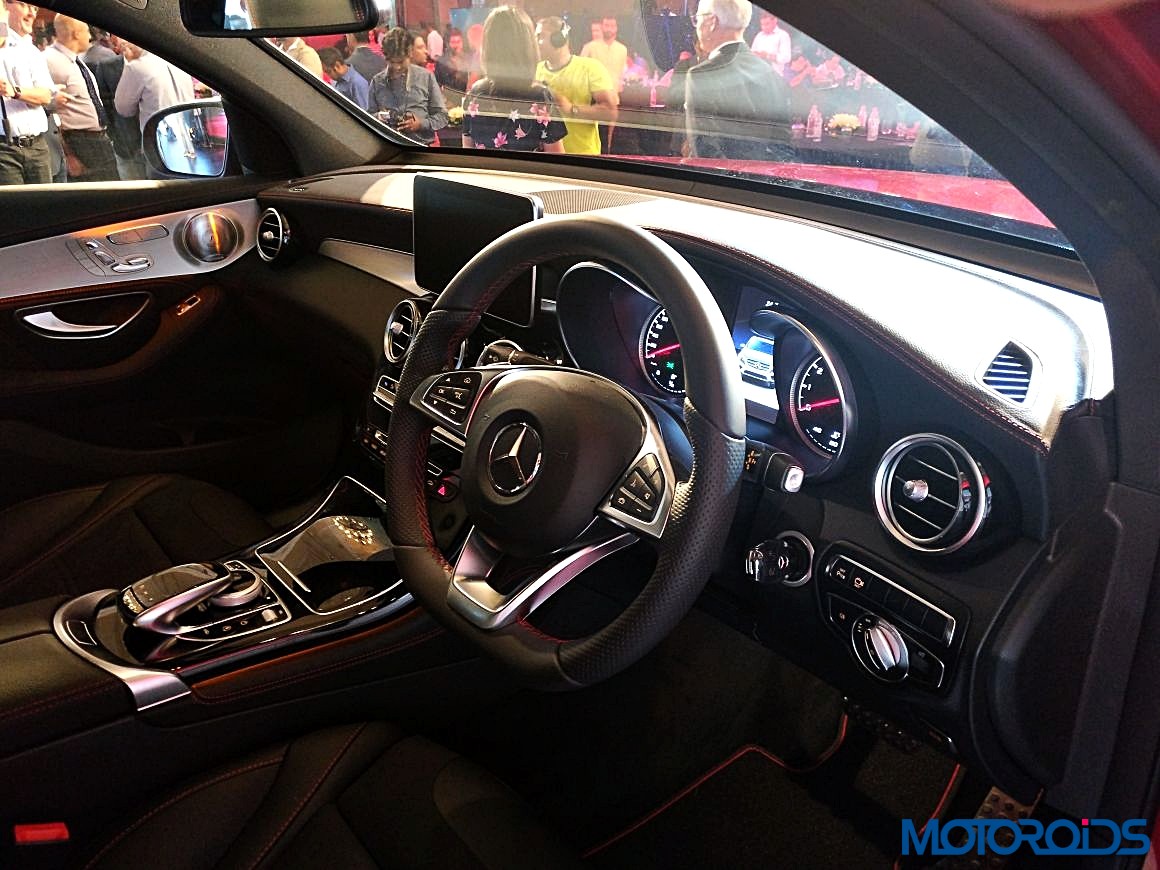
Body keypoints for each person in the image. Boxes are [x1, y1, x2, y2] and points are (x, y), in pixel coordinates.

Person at [684, 0, 791, 161]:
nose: (696, 26)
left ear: (712, 22)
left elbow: (706, 151)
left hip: (721, 177)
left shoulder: (701, 74)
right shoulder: (771, 75)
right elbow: (782, 150)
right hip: (760, 175)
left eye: (697, 19)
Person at [462, 6, 565, 153]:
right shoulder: (539, 96)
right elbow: (556, 158)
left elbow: (468, 153)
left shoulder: (475, 94)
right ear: (528, 47)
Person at [0, 0, 68, 185]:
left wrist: (15, 92)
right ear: (6, 5)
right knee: (17, 203)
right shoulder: (4, 44)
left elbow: (45, 96)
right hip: (4, 149)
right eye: (24, 5)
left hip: (38, 146)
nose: (32, 13)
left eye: (35, 7)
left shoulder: (32, 51)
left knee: (45, 200)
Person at [44, 15, 119, 181]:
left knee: (111, 189)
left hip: (96, 139)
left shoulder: (76, 60)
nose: (90, 36)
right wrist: (68, 154)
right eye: (86, 31)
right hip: (79, 141)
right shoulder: (49, 60)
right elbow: (48, 110)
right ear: (76, 34)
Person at [534, 17, 617, 156]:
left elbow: (610, 112)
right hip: (547, 158)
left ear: (558, 39)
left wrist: (571, 109)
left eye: (540, 36)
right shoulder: (535, 70)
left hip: (582, 158)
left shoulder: (590, 68)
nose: (535, 42)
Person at [114, 41, 195, 175]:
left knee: (164, 183)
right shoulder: (179, 59)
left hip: (160, 140)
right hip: (190, 136)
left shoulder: (137, 67)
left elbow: (123, 108)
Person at [367, 27, 447, 145]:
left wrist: (421, 124)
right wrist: (379, 117)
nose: (397, 67)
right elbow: (369, 118)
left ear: (410, 54)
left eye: (401, 62)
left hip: (421, 147)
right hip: (389, 148)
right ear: (385, 58)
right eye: (392, 62)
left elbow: (442, 116)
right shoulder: (377, 82)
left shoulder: (425, 77)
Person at [581, 16, 628, 91]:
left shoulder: (622, 49)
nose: (609, 29)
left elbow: (621, 74)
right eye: (606, 25)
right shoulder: (589, 47)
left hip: (614, 93)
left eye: (612, 26)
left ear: (616, 28)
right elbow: (581, 71)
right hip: (594, 93)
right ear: (602, 27)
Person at [318, 46, 369, 111]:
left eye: (328, 72)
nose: (327, 76)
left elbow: (363, 112)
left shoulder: (358, 83)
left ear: (337, 66)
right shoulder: (336, 80)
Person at [435, 28, 470, 95]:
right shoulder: (442, 62)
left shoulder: (468, 60)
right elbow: (437, 85)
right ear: (448, 44)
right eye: (453, 42)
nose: (456, 45)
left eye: (458, 42)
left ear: (462, 43)